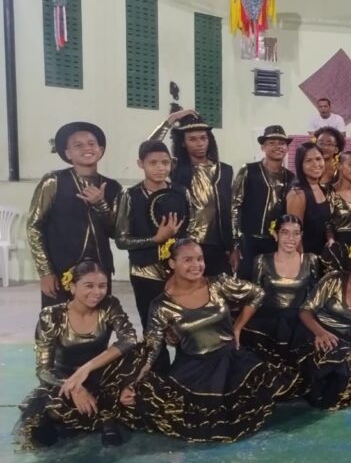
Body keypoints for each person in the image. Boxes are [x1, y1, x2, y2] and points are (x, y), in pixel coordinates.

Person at [119, 238, 302, 443]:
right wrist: (133, 384)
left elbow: (257, 294)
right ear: (172, 263)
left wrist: (238, 327)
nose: (196, 265)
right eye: (188, 260)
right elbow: (151, 350)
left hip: (231, 362)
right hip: (194, 370)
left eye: (200, 259)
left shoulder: (218, 284)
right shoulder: (161, 306)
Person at [15, 261, 138, 449]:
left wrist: (87, 368)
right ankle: (101, 418)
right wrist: (75, 388)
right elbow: (43, 369)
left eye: (102, 286)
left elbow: (129, 338)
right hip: (65, 378)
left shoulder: (109, 305)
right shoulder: (52, 315)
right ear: (72, 287)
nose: (97, 292)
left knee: (138, 357)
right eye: (89, 286)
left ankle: (107, 418)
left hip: (102, 374)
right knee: (52, 412)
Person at [28, 122, 122, 307]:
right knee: (58, 321)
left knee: (98, 321)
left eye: (91, 143)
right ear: (68, 153)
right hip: (60, 269)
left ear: (101, 150)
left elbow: (116, 232)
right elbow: (34, 226)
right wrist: (45, 271)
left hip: (99, 271)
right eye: (78, 145)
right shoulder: (53, 181)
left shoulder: (112, 187)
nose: (87, 148)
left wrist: (100, 204)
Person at [296, 243, 351, 410]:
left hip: (341, 343)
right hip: (312, 332)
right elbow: (305, 311)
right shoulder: (334, 280)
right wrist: (320, 333)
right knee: (338, 368)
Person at [149, 110, 234, 278]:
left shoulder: (224, 170)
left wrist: (233, 246)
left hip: (217, 244)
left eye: (203, 138)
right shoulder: (175, 167)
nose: (200, 143)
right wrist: (171, 120)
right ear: (183, 142)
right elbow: (149, 148)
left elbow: (231, 210)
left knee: (220, 291)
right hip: (185, 243)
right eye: (192, 139)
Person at [114, 140, 189, 329]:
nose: (160, 168)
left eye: (165, 162)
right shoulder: (130, 196)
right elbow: (121, 240)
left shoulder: (181, 192)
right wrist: (156, 239)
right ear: (141, 164)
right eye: (153, 163)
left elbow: (191, 230)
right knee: (151, 326)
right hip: (144, 271)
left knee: (182, 326)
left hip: (178, 270)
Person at [241, 215, 321, 361]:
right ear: (276, 234)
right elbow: (254, 298)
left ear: (301, 235)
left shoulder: (311, 260)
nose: (291, 238)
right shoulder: (261, 260)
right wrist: (238, 327)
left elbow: (313, 298)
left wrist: (317, 329)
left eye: (296, 233)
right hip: (268, 322)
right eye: (285, 232)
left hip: (299, 322)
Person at [231, 125, 295, 280]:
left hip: (276, 243)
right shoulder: (248, 170)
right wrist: (235, 242)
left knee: (272, 283)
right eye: (272, 143)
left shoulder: (291, 177)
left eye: (281, 143)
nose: (277, 146)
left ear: (287, 148)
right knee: (246, 283)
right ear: (263, 147)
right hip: (248, 240)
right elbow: (234, 206)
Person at [285, 143, 331, 258]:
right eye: (308, 160)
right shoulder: (297, 193)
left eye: (318, 159)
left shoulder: (322, 188)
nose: (315, 164)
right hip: (305, 259)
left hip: (322, 257)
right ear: (300, 165)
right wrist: (302, 262)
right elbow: (294, 236)